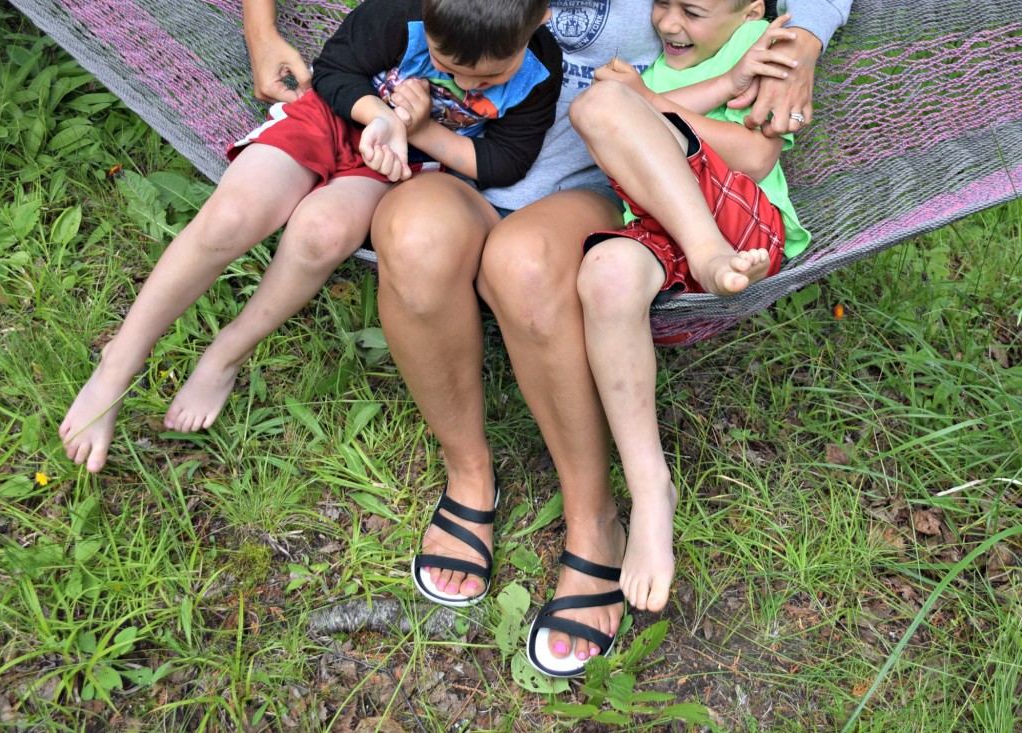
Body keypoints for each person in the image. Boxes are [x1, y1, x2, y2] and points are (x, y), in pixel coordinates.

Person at [238, 0, 850, 675]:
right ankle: (470, 477)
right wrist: (260, 29)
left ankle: (594, 519)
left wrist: (807, 42)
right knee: (412, 238)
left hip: (606, 176)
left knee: (524, 266)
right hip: (458, 150)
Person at [58, 0, 562, 474]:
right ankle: (119, 362)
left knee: (323, 235)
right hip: (330, 117)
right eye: (443, 62)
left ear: (541, 16)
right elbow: (335, 71)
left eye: (489, 77)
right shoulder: (403, 12)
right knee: (232, 217)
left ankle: (227, 353)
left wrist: (422, 130)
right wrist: (382, 116)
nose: (461, 80)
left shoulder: (540, 69)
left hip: (398, 161)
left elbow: (502, 163)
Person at [565, 0, 811, 670]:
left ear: (751, 9)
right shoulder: (656, 65)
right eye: (663, 1)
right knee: (606, 276)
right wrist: (654, 97)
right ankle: (652, 489)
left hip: (743, 231)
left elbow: (758, 154)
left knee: (601, 107)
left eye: (695, 10)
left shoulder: (766, 43)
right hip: (657, 230)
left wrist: (649, 104)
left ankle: (705, 254)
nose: (670, 21)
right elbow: (643, 107)